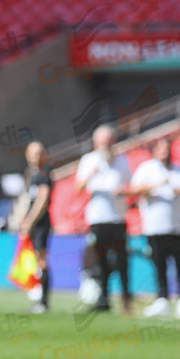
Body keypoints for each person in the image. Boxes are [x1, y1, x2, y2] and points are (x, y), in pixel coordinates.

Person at [130, 139, 180, 319]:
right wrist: (155, 185)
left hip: (178, 226)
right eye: (161, 149)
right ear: (154, 150)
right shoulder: (147, 168)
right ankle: (162, 298)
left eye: (167, 149)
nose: (165, 152)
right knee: (159, 264)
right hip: (155, 226)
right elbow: (134, 189)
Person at [76, 125, 132, 313]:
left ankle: (126, 298)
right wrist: (93, 171)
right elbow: (78, 187)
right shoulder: (89, 160)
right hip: (98, 217)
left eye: (109, 141)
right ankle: (104, 299)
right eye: (103, 141)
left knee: (122, 259)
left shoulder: (122, 160)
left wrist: (122, 191)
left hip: (118, 217)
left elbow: (130, 186)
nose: (106, 144)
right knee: (100, 260)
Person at [18, 142, 53, 313]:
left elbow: (42, 200)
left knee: (42, 260)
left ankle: (44, 301)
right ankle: (39, 296)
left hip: (40, 223)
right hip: (34, 222)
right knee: (36, 260)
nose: (36, 157)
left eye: (39, 153)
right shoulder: (32, 174)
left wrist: (30, 220)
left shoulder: (43, 173)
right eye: (33, 153)